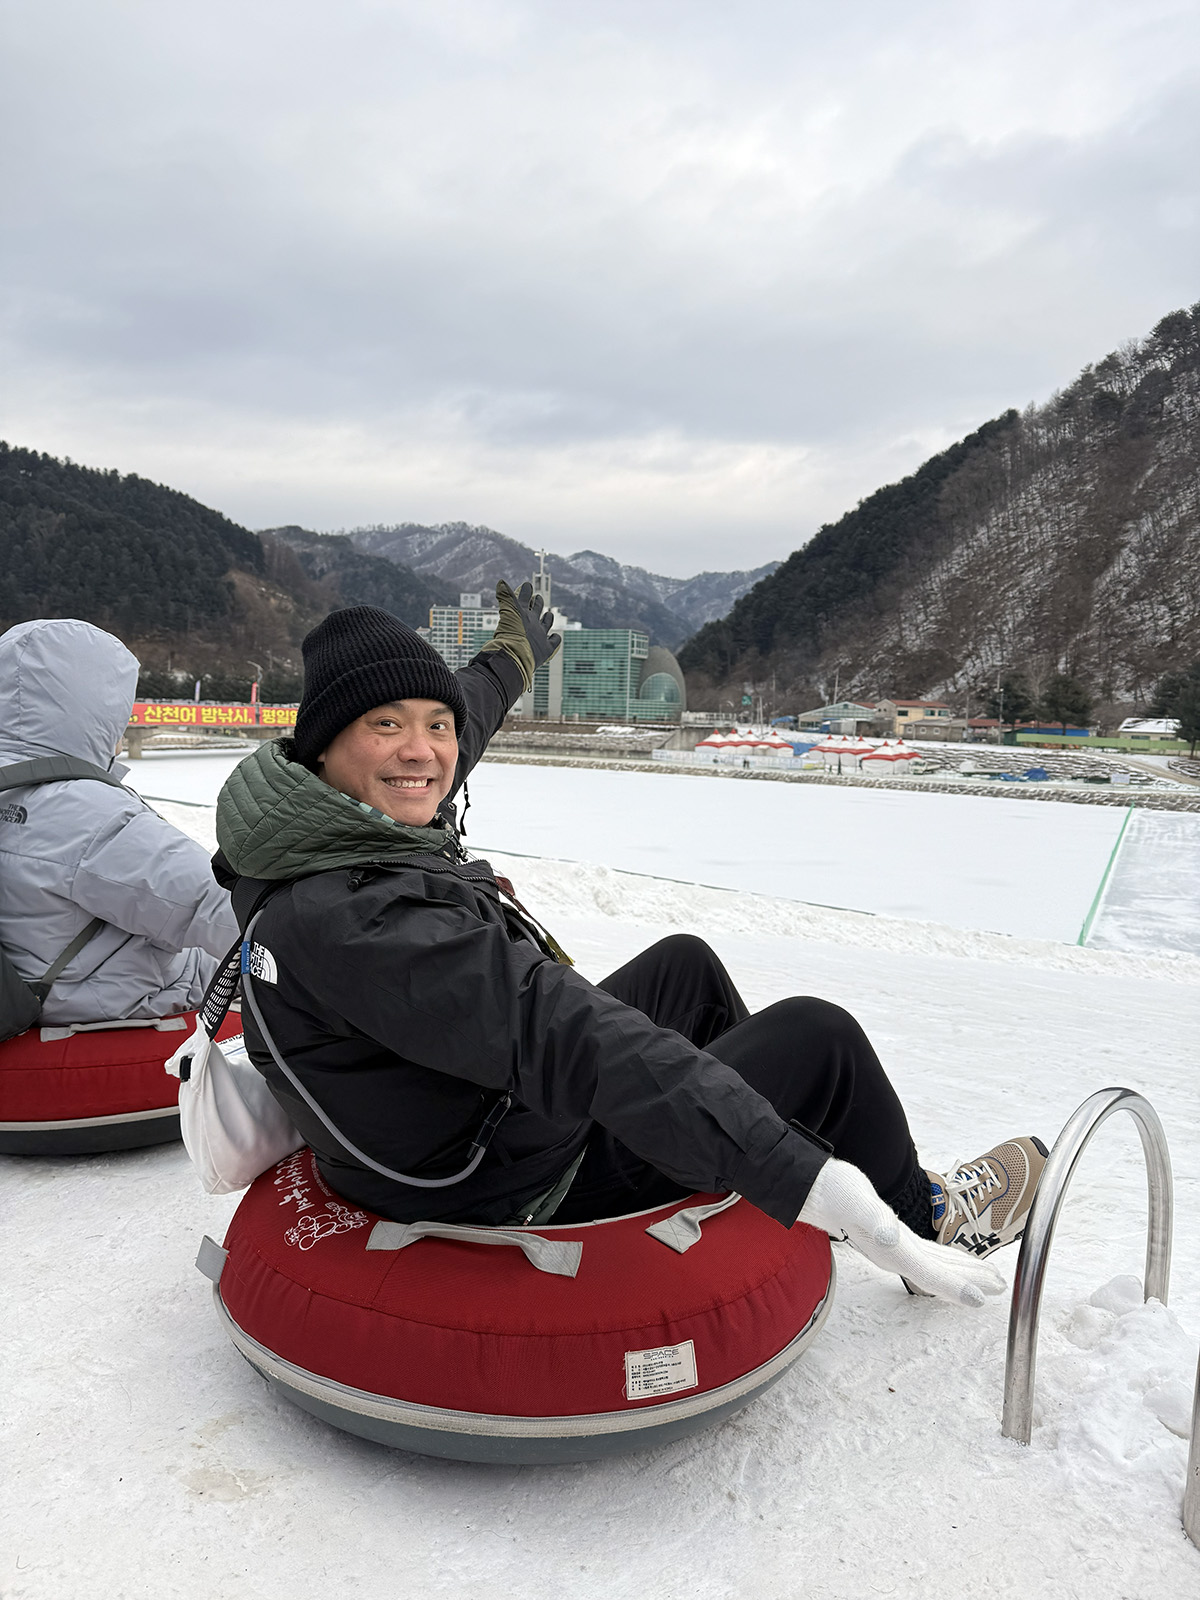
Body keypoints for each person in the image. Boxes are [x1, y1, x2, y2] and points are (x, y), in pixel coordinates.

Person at [212, 589, 1046, 1305]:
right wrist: (798, 1171)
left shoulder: (320, 823)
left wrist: (512, 658)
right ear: (325, 745)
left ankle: (734, 1137)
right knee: (818, 1036)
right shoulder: (362, 920)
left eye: (433, 724)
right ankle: (921, 1216)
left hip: (462, 1112)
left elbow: (457, 722)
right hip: (508, 1176)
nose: (423, 750)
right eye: (385, 724)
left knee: (685, 965)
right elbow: (565, 1035)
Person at [0, 618, 239, 1025]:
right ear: (97, 707)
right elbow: (222, 908)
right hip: (115, 1012)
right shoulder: (87, 812)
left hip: (33, 996)